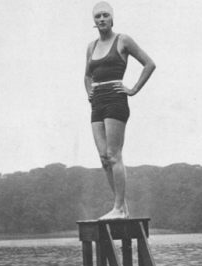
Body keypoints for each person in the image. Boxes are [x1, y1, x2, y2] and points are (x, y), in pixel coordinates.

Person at [85, 2, 155, 219]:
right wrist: (89, 92)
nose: (102, 19)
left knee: (114, 155)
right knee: (104, 157)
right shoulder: (91, 46)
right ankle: (121, 207)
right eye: (98, 16)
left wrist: (133, 89)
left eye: (106, 15)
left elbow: (149, 64)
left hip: (116, 99)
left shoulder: (122, 40)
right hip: (97, 101)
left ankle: (118, 209)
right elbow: (87, 75)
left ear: (112, 18)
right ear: (94, 21)